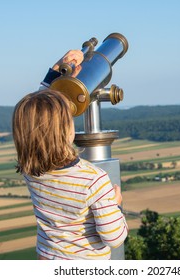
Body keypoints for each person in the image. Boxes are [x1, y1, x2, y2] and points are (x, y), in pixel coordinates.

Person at [12, 50, 128, 260]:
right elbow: (114, 237)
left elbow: (38, 112)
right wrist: (116, 205)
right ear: (66, 131)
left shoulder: (32, 170)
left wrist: (59, 70)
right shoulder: (94, 179)